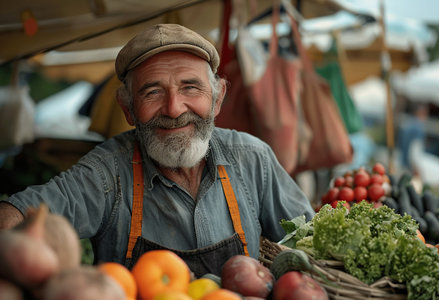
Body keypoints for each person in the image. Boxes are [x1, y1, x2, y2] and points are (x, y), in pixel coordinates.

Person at [0, 24, 314, 277]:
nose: (175, 109)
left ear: (217, 98)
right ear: (127, 108)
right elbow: (18, 214)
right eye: (152, 92)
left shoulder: (252, 158)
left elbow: (311, 247)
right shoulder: (107, 173)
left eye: (190, 87)